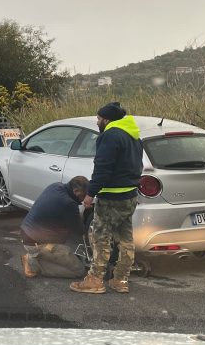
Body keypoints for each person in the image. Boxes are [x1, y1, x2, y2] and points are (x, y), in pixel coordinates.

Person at [70, 102, 142, 294]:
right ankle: (120, 279)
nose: (97, 122)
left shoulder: (110, 136)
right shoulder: (133, 136)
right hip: (129, 196)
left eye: (99, 118)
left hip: (111, 197)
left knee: (100, 237)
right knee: (126, 239)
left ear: (107, 119)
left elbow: (102, 168)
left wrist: (90, 194)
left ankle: (95, 280)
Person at [20, 176, 89, 279]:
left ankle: (36, 256)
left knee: (66, 252)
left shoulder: (55, 186)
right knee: (79, 271)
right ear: (76, 191)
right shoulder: (69, 203)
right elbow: (79, 229)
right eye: (84, 195)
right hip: (37, 244)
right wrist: (91, 236)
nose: (84, 199)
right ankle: (32, 264)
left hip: (26, 233)